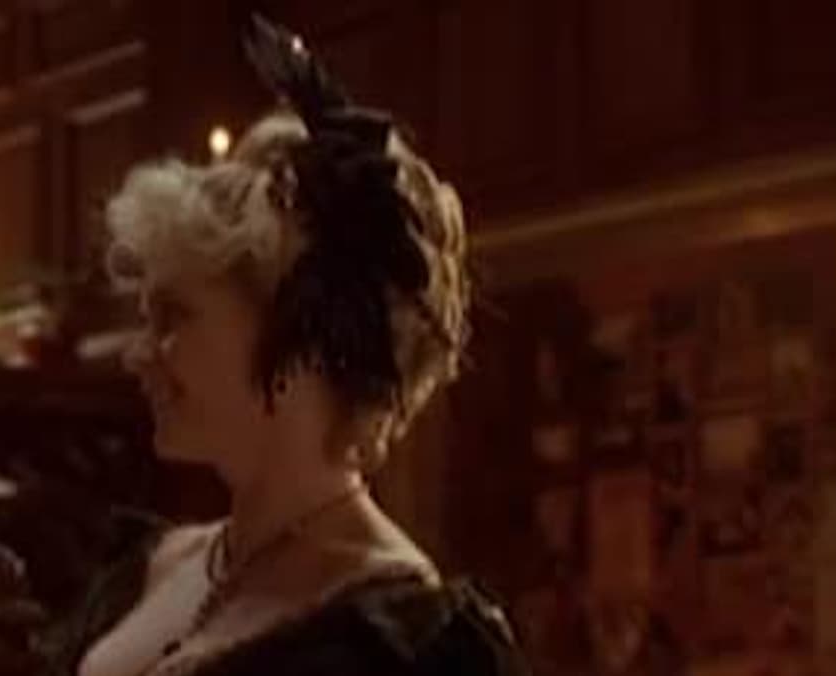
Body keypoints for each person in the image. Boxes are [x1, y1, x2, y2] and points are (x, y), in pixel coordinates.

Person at [38, 16, 530, 676]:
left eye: (172, 317)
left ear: (300, 341)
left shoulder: (405, 642)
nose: (139, 353)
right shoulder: (151, 567)